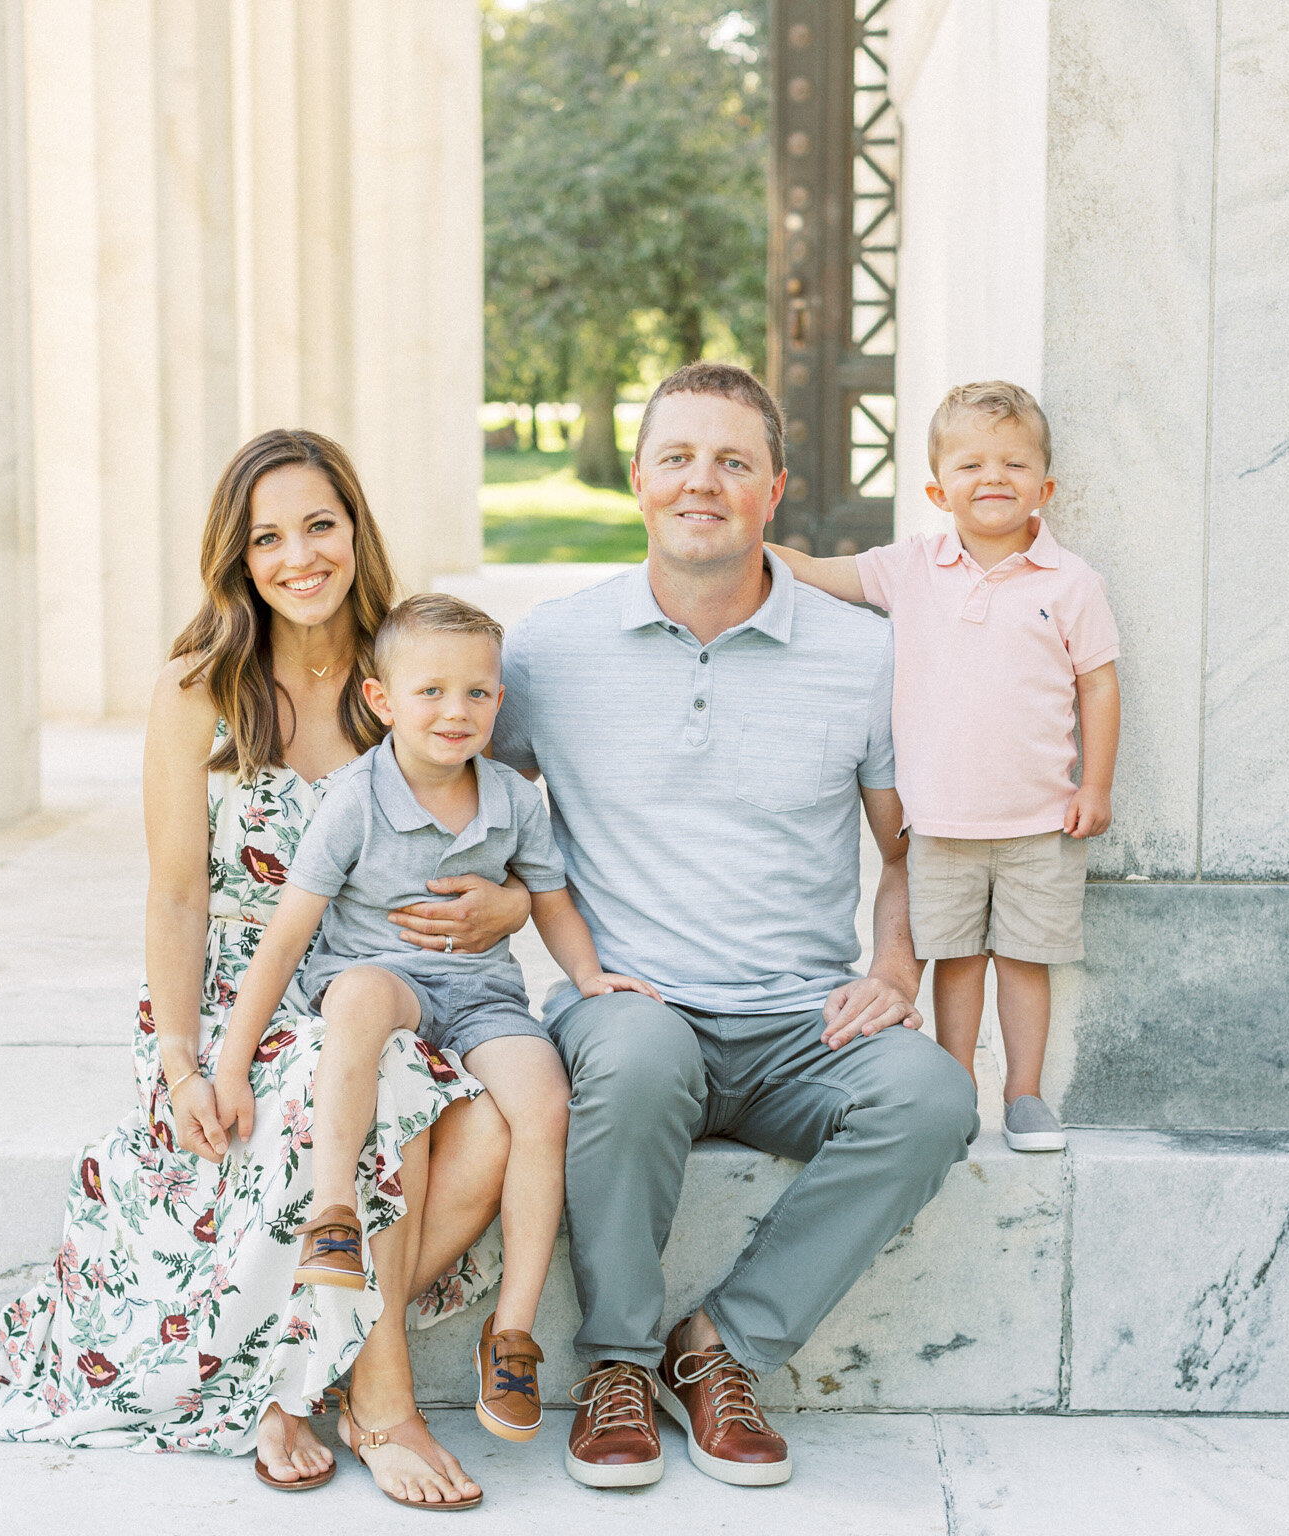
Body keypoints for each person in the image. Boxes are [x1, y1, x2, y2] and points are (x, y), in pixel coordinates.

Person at [0, 430, 525, 1510]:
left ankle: (295, 1372)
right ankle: (379, 1399)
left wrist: (505, 903)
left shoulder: (412, 666)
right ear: (236, 558)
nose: (298, 556)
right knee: (374, 1097)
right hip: (242, 998)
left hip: (396, 977)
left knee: (492, 1128)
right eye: (267, 537)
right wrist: (182, 1062)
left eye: (319, 525)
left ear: (356, 528)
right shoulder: (202, 690)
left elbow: (509, 824)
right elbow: (176, 896)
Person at [492, 361, 979, 1492]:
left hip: (801, 1020)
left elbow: (907, 846)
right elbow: (472, 808)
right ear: (637, 480)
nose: (699, 482)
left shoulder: (862, 656)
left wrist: (894, 965)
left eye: (730, 462)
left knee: (931, 1096)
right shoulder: (549, 652)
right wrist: (492, 904)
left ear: (775, 490)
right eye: (676, 457)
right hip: (632, 1006)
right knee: (634, 1050)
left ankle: (720, 1347)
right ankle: (615, 1362)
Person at [213, 591, 660, 1450]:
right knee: (359, 999)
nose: (457, 712)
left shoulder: (512, 801)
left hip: (481, 995)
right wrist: (230, 1062)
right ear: (383, 700)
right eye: (431, 692)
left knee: (542, 1098)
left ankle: (514, 1331)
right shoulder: (355, 797)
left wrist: (590, 974)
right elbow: (288, 937)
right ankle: (335, 1214)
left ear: (500, 700)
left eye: (478, 694)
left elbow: (555, 902)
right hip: (381, 981)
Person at [770, 381, 1121, 1153]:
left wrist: (1094, 785)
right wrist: (747, 545)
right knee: (956, 961)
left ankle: (1024, 1094)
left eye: (1013, 463)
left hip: (1041, 820)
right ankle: (955, 1087)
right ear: (937, 489)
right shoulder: (912, 567)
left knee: (1026, 963)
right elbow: (822, 573)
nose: (992, 477)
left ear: (1045, 486)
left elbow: (1098, 681)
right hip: (938, 821)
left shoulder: (1071, 583)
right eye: (970, 464)